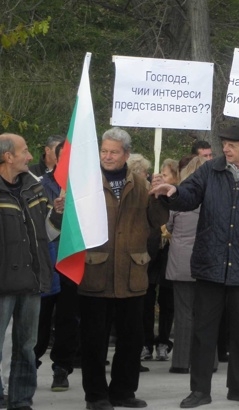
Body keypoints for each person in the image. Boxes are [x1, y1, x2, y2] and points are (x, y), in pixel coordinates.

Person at [150, 123, 239, 408]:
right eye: (224, 144)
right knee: (204, 332)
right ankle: (199, 391)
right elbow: (188, 198)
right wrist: (171, 191)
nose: (226, 148)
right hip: (210, 264)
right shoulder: (210, 171)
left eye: (232, 145)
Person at [78, 127, 168, 410]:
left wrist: (161, 197)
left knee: (132, 339)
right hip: (96, 272)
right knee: (94, 342)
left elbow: (156, 222)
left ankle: (123, 392)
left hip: (132, 273)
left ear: (126, 154)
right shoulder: (86, 183)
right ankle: (96, 396)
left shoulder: (142, 185)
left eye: (113, 152)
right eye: (104, 151)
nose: (107, 156)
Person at [0, 133, 57, 410]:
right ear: (8, 156)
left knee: (26, 347)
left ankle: (21, 401)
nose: (30, 156)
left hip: (31, 282)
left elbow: (48, 232)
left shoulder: (34, 188)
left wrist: (57, 212)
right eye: (24, 151)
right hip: (2, 284)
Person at [34, 140, 81, 393]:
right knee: (39, 318)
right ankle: (30, 362)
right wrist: (55, 210)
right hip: (47, 261)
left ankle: (61, 368)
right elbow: (33, 222)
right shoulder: (40, 184)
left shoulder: (87, 186)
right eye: (64, 157)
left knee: (68, 318)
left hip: (73, 259)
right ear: (54, 156)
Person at [164, 156, 207, 374]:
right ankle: (209, 360)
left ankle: (181, 361)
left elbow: (169, 225)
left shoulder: (180, 197)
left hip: (181, 261)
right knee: (207, 313)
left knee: (183, 312)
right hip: (207, 261)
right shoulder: (213, 197)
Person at [142, 159, 178, 362]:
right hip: (150, 253)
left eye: (165, 175)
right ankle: (146, 342)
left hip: (169, 254)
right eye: (160, 175)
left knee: (167, 300)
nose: (161, 178)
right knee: (146, 299)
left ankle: (163, 342)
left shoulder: (178, 196)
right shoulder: (151, 194)